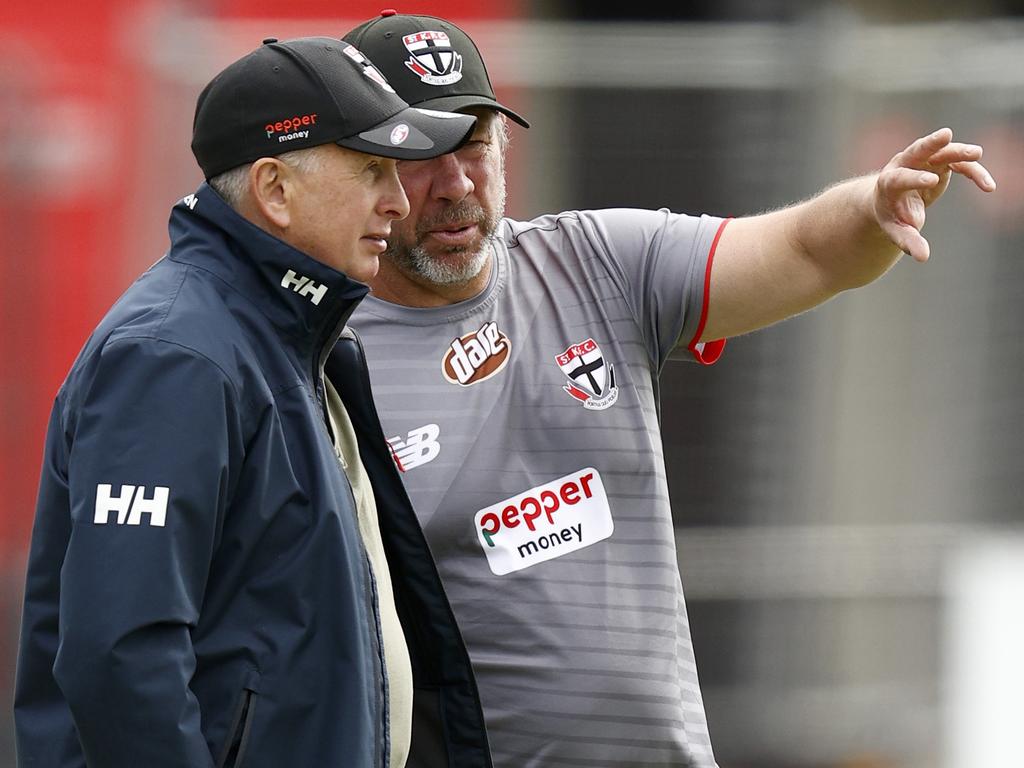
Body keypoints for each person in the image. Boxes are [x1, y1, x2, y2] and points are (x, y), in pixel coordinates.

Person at [340, 11, 997, 768]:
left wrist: (872, 208)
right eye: (423, 152)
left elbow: (807, 248)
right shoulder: (323, 357)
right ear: (363, 167)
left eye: (476, 144)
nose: (457, 184)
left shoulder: (597, 262)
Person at [14, 36, 491, 768]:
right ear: (275, 190)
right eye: (370, 169)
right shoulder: (176, 354)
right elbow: (120, 657)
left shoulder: (287, 338)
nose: (397, 201)